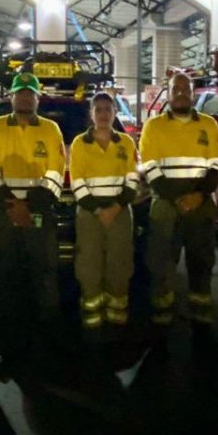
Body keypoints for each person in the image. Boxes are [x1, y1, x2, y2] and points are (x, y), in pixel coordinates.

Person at [0, 72, 66, 380]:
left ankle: (47, 346)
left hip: (38, 213)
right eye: (20, 93)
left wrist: (30, 206)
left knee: (44, 276)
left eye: (30, 93)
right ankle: (7, 348)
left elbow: (57, 170)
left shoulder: (52, 129)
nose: (25, 97)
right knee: (7, 278)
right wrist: (13, 206)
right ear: (11, 97)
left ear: (37, 98)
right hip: (6, 213)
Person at [139, 72, 218, 335]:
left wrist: (198, 195)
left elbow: (217, 164)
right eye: (176, 89)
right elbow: (149, 166)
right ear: (167, 92)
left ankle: (200, 306)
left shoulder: (208, 125)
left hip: (199, 198)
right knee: (163, 259)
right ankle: (162, 309)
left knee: (201, 258)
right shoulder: (154, 126)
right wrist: (176, 197)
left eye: (185, 89)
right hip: (166, 200)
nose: (180, 93)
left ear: (192, 92)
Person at [69, 92, 139, 335]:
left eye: (108, 109)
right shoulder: (79, 143)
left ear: (114, 113)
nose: (103, 114)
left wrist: (116, 208)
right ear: (91, 114)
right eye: (98, 110)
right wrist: (99, 210)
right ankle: (92, 316)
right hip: (91, 213)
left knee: (119, 263)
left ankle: (117, 314)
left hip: (120, 211)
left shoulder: (126, 143)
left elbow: (132, 181)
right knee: (89, 264)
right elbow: (77, 182)